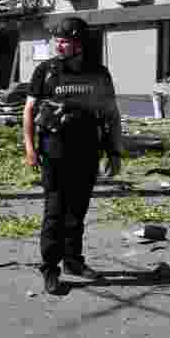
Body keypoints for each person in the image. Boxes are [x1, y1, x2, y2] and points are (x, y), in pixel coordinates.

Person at [22, 16, 123, 296]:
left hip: (88, 152)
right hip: (54, 153)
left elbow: (112, 115)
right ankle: (50, 269)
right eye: (57, 40)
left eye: (65, 40)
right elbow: (29, 111)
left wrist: (115, 151)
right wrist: (30, 148)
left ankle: (73, 261)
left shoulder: (99, 74)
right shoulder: (46, 71)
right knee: (54, 212)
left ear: (79, 43)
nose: (59, 45)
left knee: (77, 212)